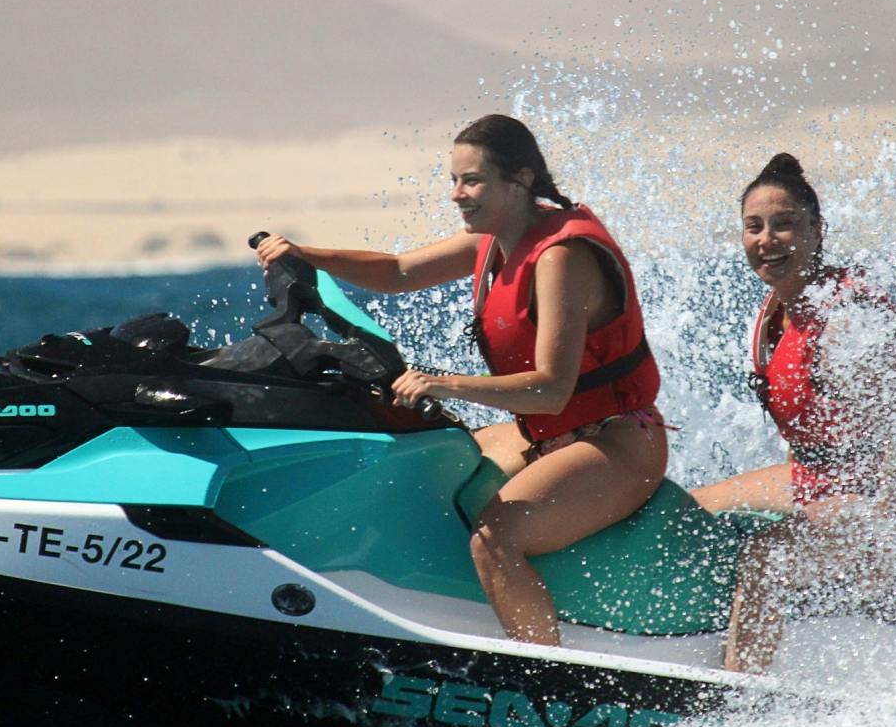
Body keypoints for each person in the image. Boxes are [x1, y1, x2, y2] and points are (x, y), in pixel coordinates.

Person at [255, 114, 667, 647]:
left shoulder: (561, 257)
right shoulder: (493, 243)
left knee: (496, 539)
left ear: (518, 180)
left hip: (616, 440)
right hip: (546, 433)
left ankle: (544, 678)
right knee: (433, 460)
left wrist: (440, 382)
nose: (456, 194)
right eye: (453, 180)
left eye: (471, 180)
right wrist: (303, 254)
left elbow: (551, 390)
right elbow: (398, 272)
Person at [692, 152, 896, 672]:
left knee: (765, 561)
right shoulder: (776, 310)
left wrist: (878, 538)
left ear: (816, 230)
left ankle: (741, 701)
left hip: (894, 498)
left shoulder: (848, 321)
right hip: (824, 477)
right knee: (694, 513)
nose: (767, 240)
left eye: (785, 225)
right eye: (754, 227)